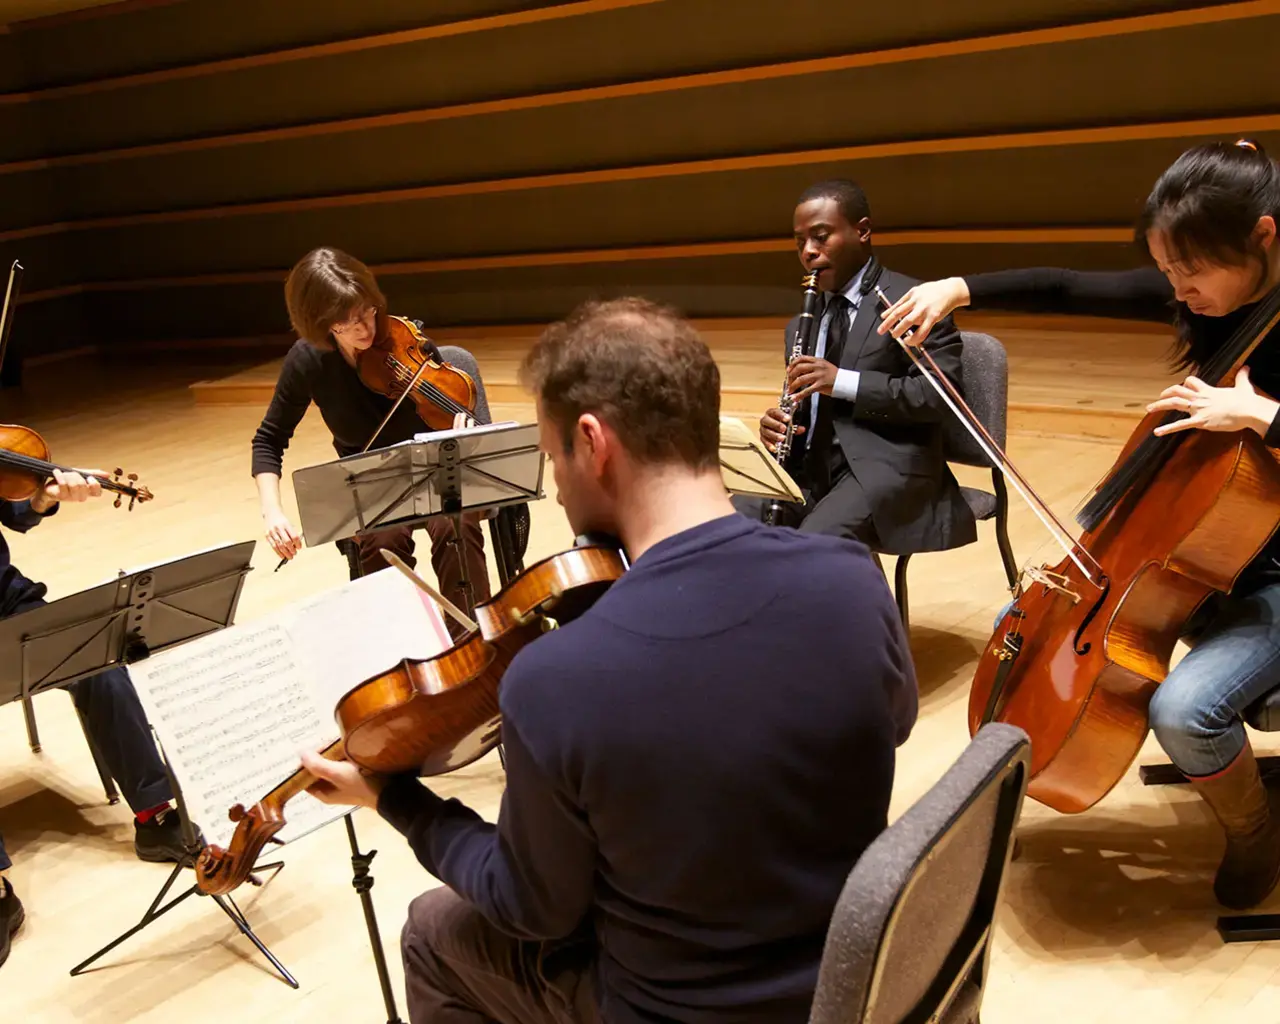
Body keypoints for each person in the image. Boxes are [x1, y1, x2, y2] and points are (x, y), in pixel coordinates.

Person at [299, 297, 919, 1024]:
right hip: (852, 988)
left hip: (673, 1012)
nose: (555, 484)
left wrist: (393, 798)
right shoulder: (852, 579)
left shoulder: (558, 681)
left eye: (552, 455)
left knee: (433, 932)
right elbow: (893, 721)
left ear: (593, 443)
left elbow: (532, 908)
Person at [879, 138, 1280, 910]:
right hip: (1207, 557)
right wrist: (958, 287)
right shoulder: (1210, 297)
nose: (1177, 290)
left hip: (1275, 581)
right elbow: (1068, 285)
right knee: (1022, 630)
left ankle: (1259, 834)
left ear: (1261, 237)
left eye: (1189, 272)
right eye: (1166, 271)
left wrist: (1266, 416)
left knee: (1185, 712)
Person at [1, 469, 193, 970]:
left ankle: (154, 817)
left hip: (6, 603)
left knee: (101, 667)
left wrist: (42, 499)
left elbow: (14, 510)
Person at [251, 247, 491, 628]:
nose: (367, 328)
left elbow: (465, 418)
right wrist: (273, 512)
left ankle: (473, 646)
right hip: (374, 486)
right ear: (321, 324)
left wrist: (468, 436)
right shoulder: (309, 362)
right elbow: (269, 439)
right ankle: (401, 652)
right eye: (349, 322)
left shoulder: (400, 339)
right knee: (383, 543)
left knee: (455, 526)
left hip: (439, 474)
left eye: (368, 311)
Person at [733, 178, 975, 555]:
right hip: (811, 471)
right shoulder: (802, 323)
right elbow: (807, 403)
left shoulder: (915, 302)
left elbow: (939, 398)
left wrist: (841, 382)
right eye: (800, 242)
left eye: (821, 237)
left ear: (862, 231)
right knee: (727, 525)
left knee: (812, 545)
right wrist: (782, 426)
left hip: (885, 468)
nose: (808, 252)